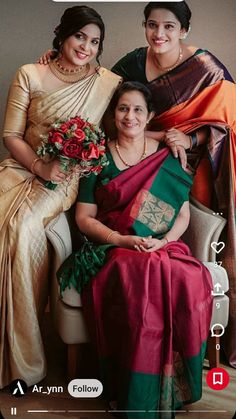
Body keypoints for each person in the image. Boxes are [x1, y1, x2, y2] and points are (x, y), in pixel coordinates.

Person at [58, 82, 213, 418]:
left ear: (150, 116)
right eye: (123, 108)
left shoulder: (164, 158)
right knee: (144, 272)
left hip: (162, 244)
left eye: (138, 109)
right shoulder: (97, 161)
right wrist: (122, 240)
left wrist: (166, 241)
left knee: (187, 276)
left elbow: (182, 212)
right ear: (113, 114)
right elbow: (85, 219)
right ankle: (132, 391)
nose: (130, 116)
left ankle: (171, 388)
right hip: (114, 248)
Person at [0, 5, 121, 389]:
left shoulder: (106, 82)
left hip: (63, 181)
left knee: (22, 227)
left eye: (94, 41)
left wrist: (172, 137)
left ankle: (24, 362)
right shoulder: (30, 74)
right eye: (79, 36)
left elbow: (134, 114)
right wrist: (38, 166)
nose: (86, 47)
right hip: (24, 168)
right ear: (62, 35)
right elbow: (11, 136)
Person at [110, 1, 236, 366]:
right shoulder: (132, 63)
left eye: (169, 26)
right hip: (141, 157)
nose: (159, 34)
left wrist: (189, 141)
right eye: (152, 25)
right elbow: (106, 101)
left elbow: (225, 122)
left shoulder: (205, 68)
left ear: (184, 31)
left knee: (186, 234)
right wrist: (56, 58)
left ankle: (193, 341)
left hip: (197, 164)